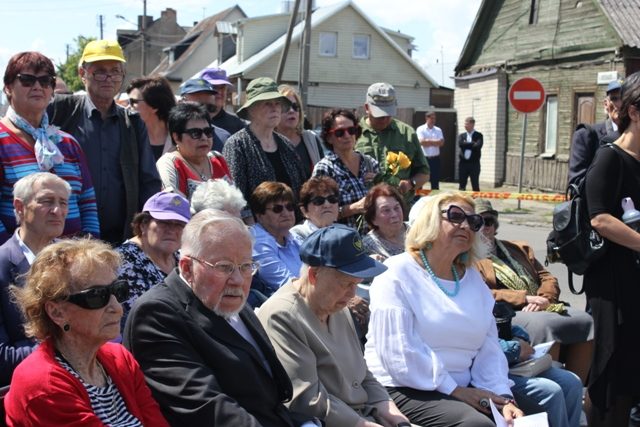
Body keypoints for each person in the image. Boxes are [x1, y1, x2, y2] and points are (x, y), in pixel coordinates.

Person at [123, 209, 311, 426]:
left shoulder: (230, 299)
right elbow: (207, 409)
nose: (238, 279)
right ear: (187, 268)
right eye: (224, 267)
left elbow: (269, 396)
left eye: (246, 266)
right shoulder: (156, 315)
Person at [364, 192, 523, 426]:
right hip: (402, 386)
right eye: (456, 216)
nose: (466, 226)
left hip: (461, 387)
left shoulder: (473, 281)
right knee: (477, 425)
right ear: (430, 220)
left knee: (540, 402)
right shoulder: (396, 273)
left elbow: (488, 349)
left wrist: (503, 397)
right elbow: (399, 355)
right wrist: (456, 390)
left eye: (474, 221)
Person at [257, 224, 412, 427]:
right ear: (314, 275)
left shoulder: (337, 306)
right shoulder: (282, 315)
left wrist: (393, 414)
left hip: (365, 416)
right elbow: (306, 398)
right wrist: (363, 424)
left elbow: (362, 373)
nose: (352, 294)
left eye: (356, 284)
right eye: (345, 283)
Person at [5, 239, 169, 426]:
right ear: (57, 312)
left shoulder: (121, 359)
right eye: (97, 295)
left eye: (118, 290)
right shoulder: (42, 384)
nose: (117, 307)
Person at [47, 39, 161, 244]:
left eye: (115, 71)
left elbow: (149, 182)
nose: (108, 78)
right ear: (83, 74)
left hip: (120, 238)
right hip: (66, 236)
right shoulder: (61, 110)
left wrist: (146, 231)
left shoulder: (133, 123)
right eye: (100, 71)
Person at [474, 199, 594, 384]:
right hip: (507, 311)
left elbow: (547, 277)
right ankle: (553, 382)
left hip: (541, 305)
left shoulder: (518, 248)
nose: (485, 227)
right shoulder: (470, 257)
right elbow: (483, 293)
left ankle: (576, 387)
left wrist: (544, 299)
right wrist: (525, 298)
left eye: (489, 221)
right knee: (546, 326)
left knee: (585, 320)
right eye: (479, 222)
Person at [583, 71, 640, 426]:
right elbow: (599, 218)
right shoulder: (609, 158)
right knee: (611, 374)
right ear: (634, 111)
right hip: (613, 285)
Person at [0, 51, 99, 243]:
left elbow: (87, 204)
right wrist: (14, 258)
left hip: (71, 260)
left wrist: (88, 252)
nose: (37, 86)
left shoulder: (68, 143)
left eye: (45, 81)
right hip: (20, 265)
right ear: (8, 88)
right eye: (27, 80)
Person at [0, 172, 70, 386]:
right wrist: (69, 347)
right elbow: (2, 358)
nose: (57, 211)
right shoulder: (3, 265)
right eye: (46, 201)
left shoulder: (76, 261)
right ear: (20, 207)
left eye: (63, 203)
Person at [222, 77, 306, 206]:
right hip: (253, 224)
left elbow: (300, 189)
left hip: (291, 223)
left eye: (277, 103)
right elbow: (235, 196)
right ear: (251, 109)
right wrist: (250, 224)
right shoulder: (237, 145)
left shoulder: (286, 145)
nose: (275, 108)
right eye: (267, 103)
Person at [116, 191, 190, 328]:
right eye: (164, 222)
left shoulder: (182, 258)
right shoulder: (122, 262)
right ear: (143, 225)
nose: (172, 230)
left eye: (179, 224)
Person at [356, 82, 429, 204]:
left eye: (388, 113)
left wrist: (411, 184)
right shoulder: (352, 134)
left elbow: (424, 173)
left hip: (399, 210)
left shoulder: (406, 133)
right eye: (379, 114)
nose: (384, 119)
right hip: (363, 210)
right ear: (367, 108)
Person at [502, 325, 583, 427]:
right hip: (493, 371)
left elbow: (510, 325)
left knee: (571, 382)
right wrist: (515, 348)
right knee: (551, 391)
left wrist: (520, 338)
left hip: (515, 363)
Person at [312, 109, 379, 231]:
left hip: (374, 239)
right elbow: (318, 214)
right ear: (329, 138)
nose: (347, 135)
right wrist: (354, 208)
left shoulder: (370, 163)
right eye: (339, 132)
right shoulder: (325, 169)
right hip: (344, 242)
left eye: (351, 130)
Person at [156, 102, 233, 200]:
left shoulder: (218, 159)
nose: (204, 138)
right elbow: (174, 207)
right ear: (176, 137)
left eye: (208, 132)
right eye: (195, 133)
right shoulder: (169, 163)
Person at [250, 181, 301, 298]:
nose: (286, 213)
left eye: (289, 207)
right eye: (277, 209)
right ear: (259, 215)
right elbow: (287, 285)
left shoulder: (293, 237)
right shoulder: (258, 242)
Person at [568, 78, 623, 187]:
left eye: (624, 99)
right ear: (606, 104)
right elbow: (577, 183)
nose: (620, 104)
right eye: (615, 98)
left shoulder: (635, 137)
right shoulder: (586, 135)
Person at [276, 84, 325, 179]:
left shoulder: (311, 139)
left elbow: (323, 177)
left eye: (295, 106)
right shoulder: (267, 142)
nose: (291, 111)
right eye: (285, 107)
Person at [125, 76, 176, 161]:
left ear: (154, 105)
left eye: (133, 102)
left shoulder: (181, 137)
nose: (127, 107)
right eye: (128, 102)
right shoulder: (126, 136)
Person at [179, 78, 231, 151]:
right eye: (199, 108)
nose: (204, 114)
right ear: (181, 103)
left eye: (210, 108)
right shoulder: (168, 137)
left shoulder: (224, 138)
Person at [362, 183, 408, 261]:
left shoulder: (417, 231)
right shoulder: (368, 246)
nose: (394, 214)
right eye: (386, 210)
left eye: (396, 208)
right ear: (373, 219)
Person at [289, 176, 339, 243]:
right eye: (318, 201)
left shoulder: (345, 232)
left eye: (332, 199)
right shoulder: (297, 235)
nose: (327, 205)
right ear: (304, 211)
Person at [199, 67, 246, 135]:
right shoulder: (189, 121)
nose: (219, 92)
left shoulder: (237, 124)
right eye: (214, 87)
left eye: (222, 87)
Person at [416, 111, 444, 190]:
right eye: (431, 118)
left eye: (434, 118)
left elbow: (441, 143)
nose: (433, 120)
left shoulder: (438, 130)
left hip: (435, 159)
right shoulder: (420, 129)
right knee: (420, 179)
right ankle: (418, 199)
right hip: (424, 159)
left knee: (435, 180)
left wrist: (428, 141)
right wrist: (435, 142)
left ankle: (434, 198)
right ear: (426, 118)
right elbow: (421, 142)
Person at [457, 116, 483, 191]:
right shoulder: (462, 135)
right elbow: (460, 144)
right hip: (463, 164)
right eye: (465, 124)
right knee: (462, 185)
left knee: (475, 184)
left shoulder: (478, 135)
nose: (465, 126)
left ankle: (476, 201)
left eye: (467, 124)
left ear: (472, 124)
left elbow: (478, 146)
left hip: (474, 164)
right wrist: (472, 143)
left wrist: (466, 144)